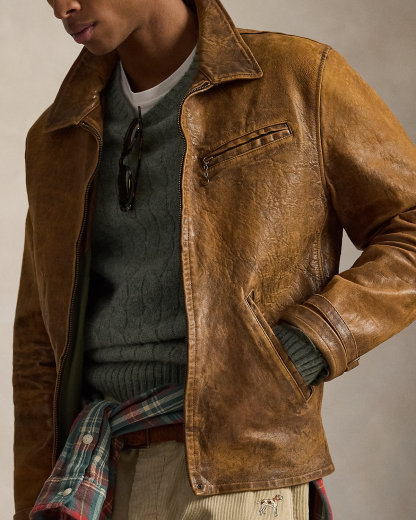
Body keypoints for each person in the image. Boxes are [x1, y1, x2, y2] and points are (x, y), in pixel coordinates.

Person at [12, 0, 416, 519]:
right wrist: (30, 500)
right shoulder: (56, 138)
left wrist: (311, 343)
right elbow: (37, 349)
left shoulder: (296, 78)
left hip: (237, 476)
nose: (62, 6)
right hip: (93, 476)